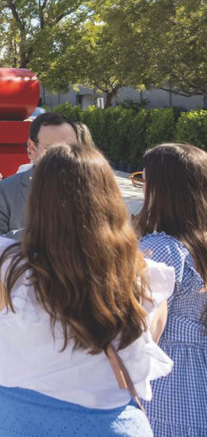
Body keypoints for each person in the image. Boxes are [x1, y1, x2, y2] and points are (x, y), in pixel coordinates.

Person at [0, 144, 173, 436]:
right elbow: (147, 338)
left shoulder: (1, 261)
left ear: (38, 196)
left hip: (17, 418)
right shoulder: (145, 273)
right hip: (110, 422)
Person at [134, 143, 207, 436]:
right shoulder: (197, 243)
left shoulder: (161, 249)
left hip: (170, 379)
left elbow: (136, 329)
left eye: (144, 179)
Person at [0, 112, 78, 260]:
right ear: (31, 148)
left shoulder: (93, 189)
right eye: (53, 150)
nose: (65, 156)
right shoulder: (2, 192)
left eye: (71, 148)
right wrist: (38, 233)